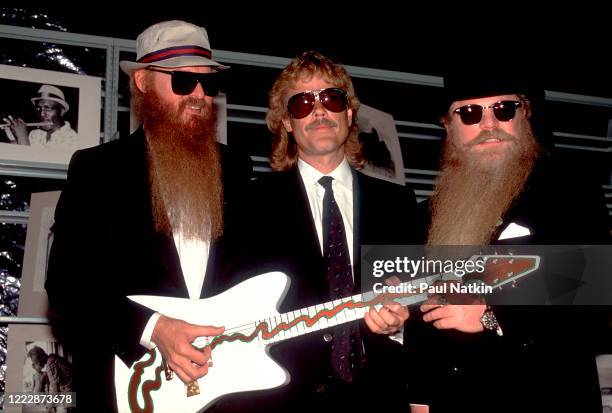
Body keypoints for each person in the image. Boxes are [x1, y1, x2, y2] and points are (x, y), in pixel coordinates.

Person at [45, 20, 252, 412]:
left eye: (208, 84)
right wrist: (156, 329)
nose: (198, 95)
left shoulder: (236, 169)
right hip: (130, 388)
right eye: (181, 82)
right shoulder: (97, 170)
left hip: (226, 388)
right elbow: (68, 285)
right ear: (143, 82)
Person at [213, 51, 420, 412]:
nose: (319, 111)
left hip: (379, 399)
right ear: (287, 123)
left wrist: (401, 323)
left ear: (349, 113)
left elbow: (420, 305)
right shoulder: (247, 204)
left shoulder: (398, 204)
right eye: (302, 103)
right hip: (278, 402)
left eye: (331, 99)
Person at [405, 70, 611, 412]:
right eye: (470, 113)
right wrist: (420, 399)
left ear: (524, 114)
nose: (489, 124)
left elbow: (593, 298)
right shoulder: (428, 213)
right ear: (448, 127)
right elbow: (425, 312)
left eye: (504, 109)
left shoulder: (572, 190)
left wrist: (492, 312)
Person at [3, 84, 78, 149]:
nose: (42, 114)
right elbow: (20, 155)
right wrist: (13, 138)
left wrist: (22, 136)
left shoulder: (73, 139)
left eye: (48, 108)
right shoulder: (34, 134)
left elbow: (32, 163)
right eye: (39, 109)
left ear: (62, 111)